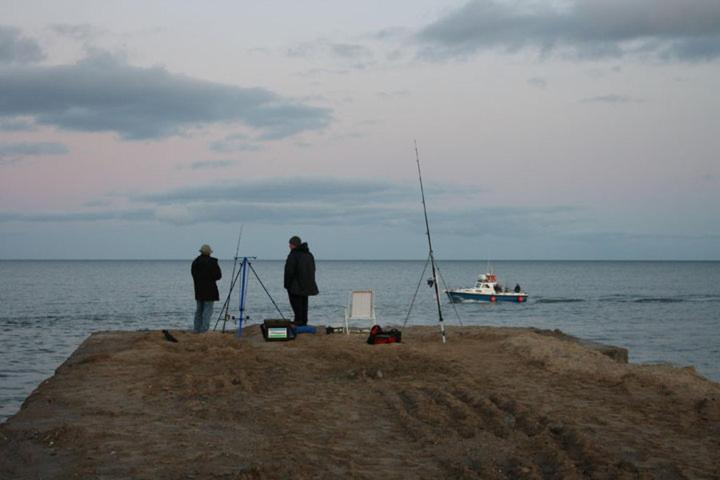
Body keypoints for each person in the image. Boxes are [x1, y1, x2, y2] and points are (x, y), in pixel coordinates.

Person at [284, 236, 319, 326]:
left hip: (295, 285)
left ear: (293, 245)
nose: (289, 246)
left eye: (290, 244)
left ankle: (299, 321)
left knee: (296, 303)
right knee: (304, 303)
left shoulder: (294, 255)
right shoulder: (309, 254)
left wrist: (287, 284)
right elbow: (313, 269)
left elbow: (289, 271)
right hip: (307, 284)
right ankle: (303, 321)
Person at [191, 244, 222, 333]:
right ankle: (204, 330)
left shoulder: (195, 262)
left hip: (199, 290)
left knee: (199, 311)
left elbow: (193, 275)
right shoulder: (212, 262)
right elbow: (218, 276)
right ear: (209, 253)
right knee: (207, 311)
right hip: (210, 291)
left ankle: (196, 329)